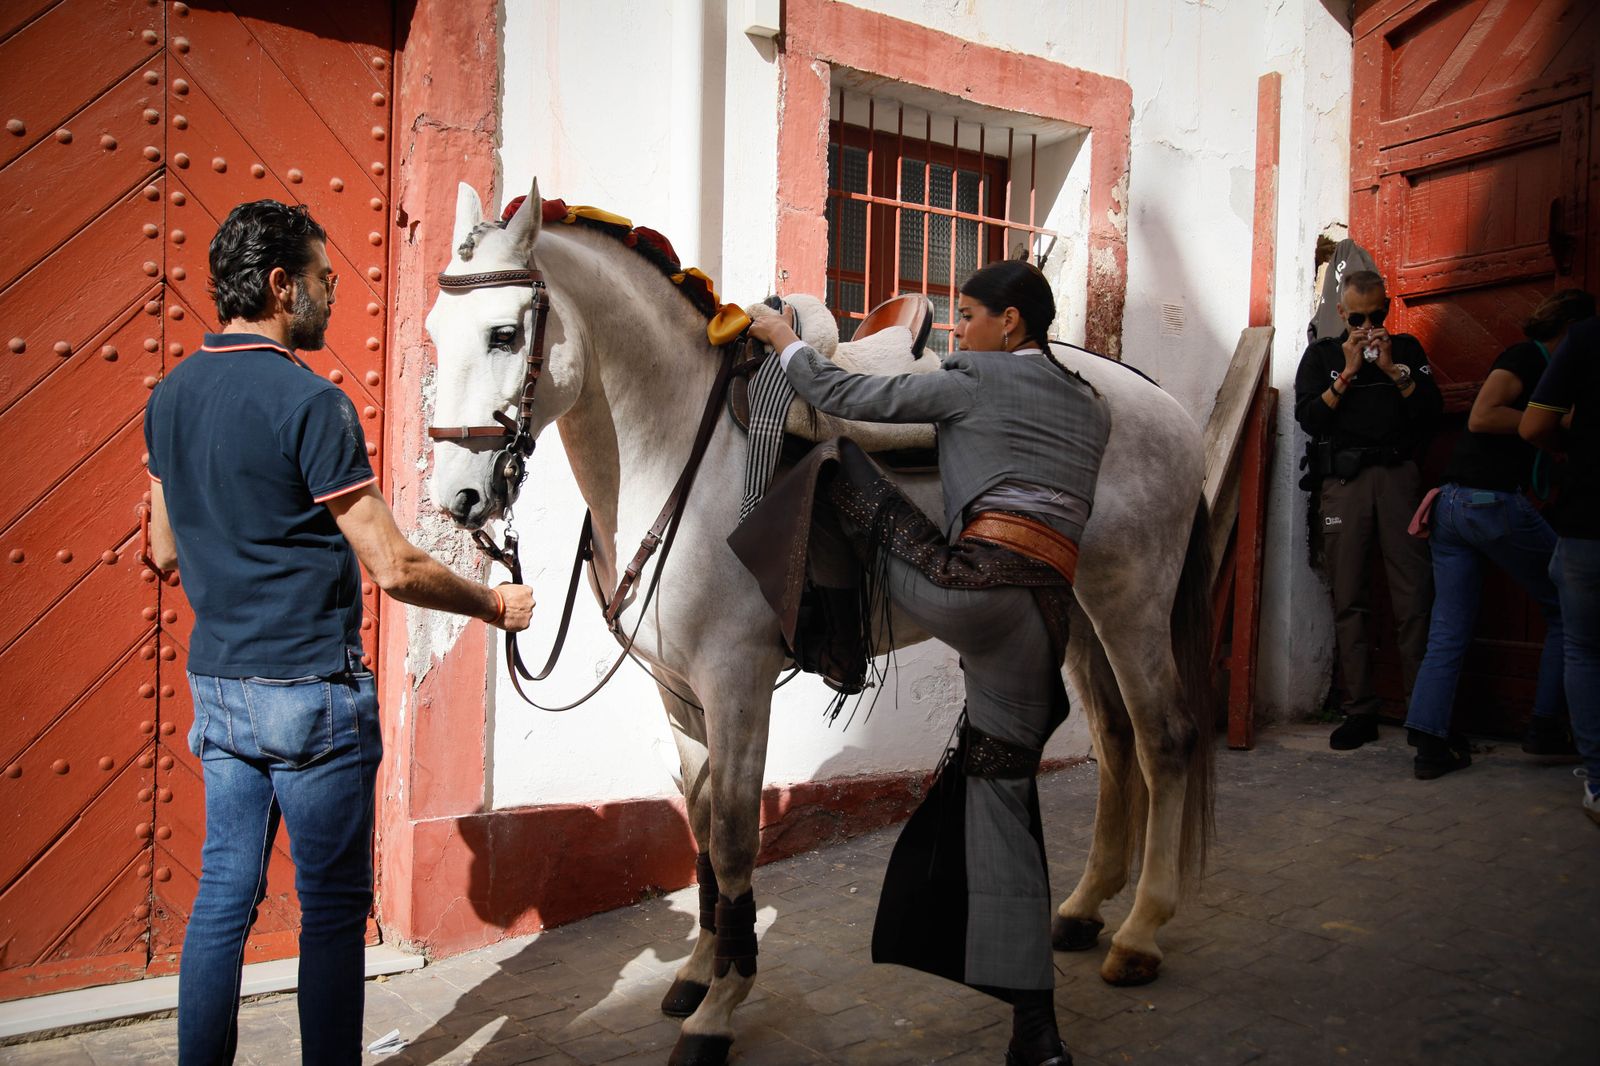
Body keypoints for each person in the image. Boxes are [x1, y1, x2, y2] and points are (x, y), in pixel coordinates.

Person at [143, 199, 535, 1064]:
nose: (333, 292)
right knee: (329, 911)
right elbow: (392, 565)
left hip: (220, 688)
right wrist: (492, 603)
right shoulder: (310, 404)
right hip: (310, 696)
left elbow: (162, 549)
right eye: (323, 278)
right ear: (281, 285)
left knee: (221, 900)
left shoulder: (169, 397)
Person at [745, 260, 1107, 1066]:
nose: (958, 331)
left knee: (831, 464)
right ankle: (1037, 1033)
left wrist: (782, 341)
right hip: (1043, 620)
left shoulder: (971, 378)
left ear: (1011, 323)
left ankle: (835, 643)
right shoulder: (1092, 403)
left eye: (969, 316)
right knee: (1005, 802)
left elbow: (846, 396)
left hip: (968, 592)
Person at [1403, 290, 1594, 779]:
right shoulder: (1528, 357)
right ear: (1570, 329)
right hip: (1485, 502)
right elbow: (1483, 414)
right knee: (1568, 602)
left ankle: (1430, 743)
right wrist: (1559, 421)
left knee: (1449, 627)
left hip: (1453, 505)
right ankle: (1546, 727)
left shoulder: (1538, 361)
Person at [1294, 269, 1442, 750]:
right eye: (1357, 319)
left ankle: (1423, 712)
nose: (1367, 327)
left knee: (1413, 596)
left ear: (1387, 309)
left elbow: (1431, 413)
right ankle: (1359, 710)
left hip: (1397, 477)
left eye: (1376, 317)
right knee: (1349, 595)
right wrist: (1349, 371)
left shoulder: (1408, 351)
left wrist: (1393, 370)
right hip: (1345, 482)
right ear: (1342, 313)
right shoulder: (1322, 356)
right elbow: (1309, 417)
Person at [1520, 311, 1600, 826]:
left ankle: (1599, 783)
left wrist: (1573, 444)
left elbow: (1532, 426)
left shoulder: (1588, 339)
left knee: (1585, 650)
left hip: (1589, 520)